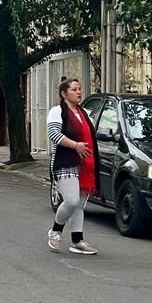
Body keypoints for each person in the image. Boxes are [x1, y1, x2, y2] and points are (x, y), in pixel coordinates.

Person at [48, 77, 98, 255]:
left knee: (79, 205)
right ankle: (55, 230)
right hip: (66, 162)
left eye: (79, 89)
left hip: (85, 163)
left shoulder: (84, 113)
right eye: (74, 89)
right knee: (71, 201)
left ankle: (77, 240)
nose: (78, 92)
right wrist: (75, 146)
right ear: (64, 94)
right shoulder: (57, 111)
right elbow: (54, 134)